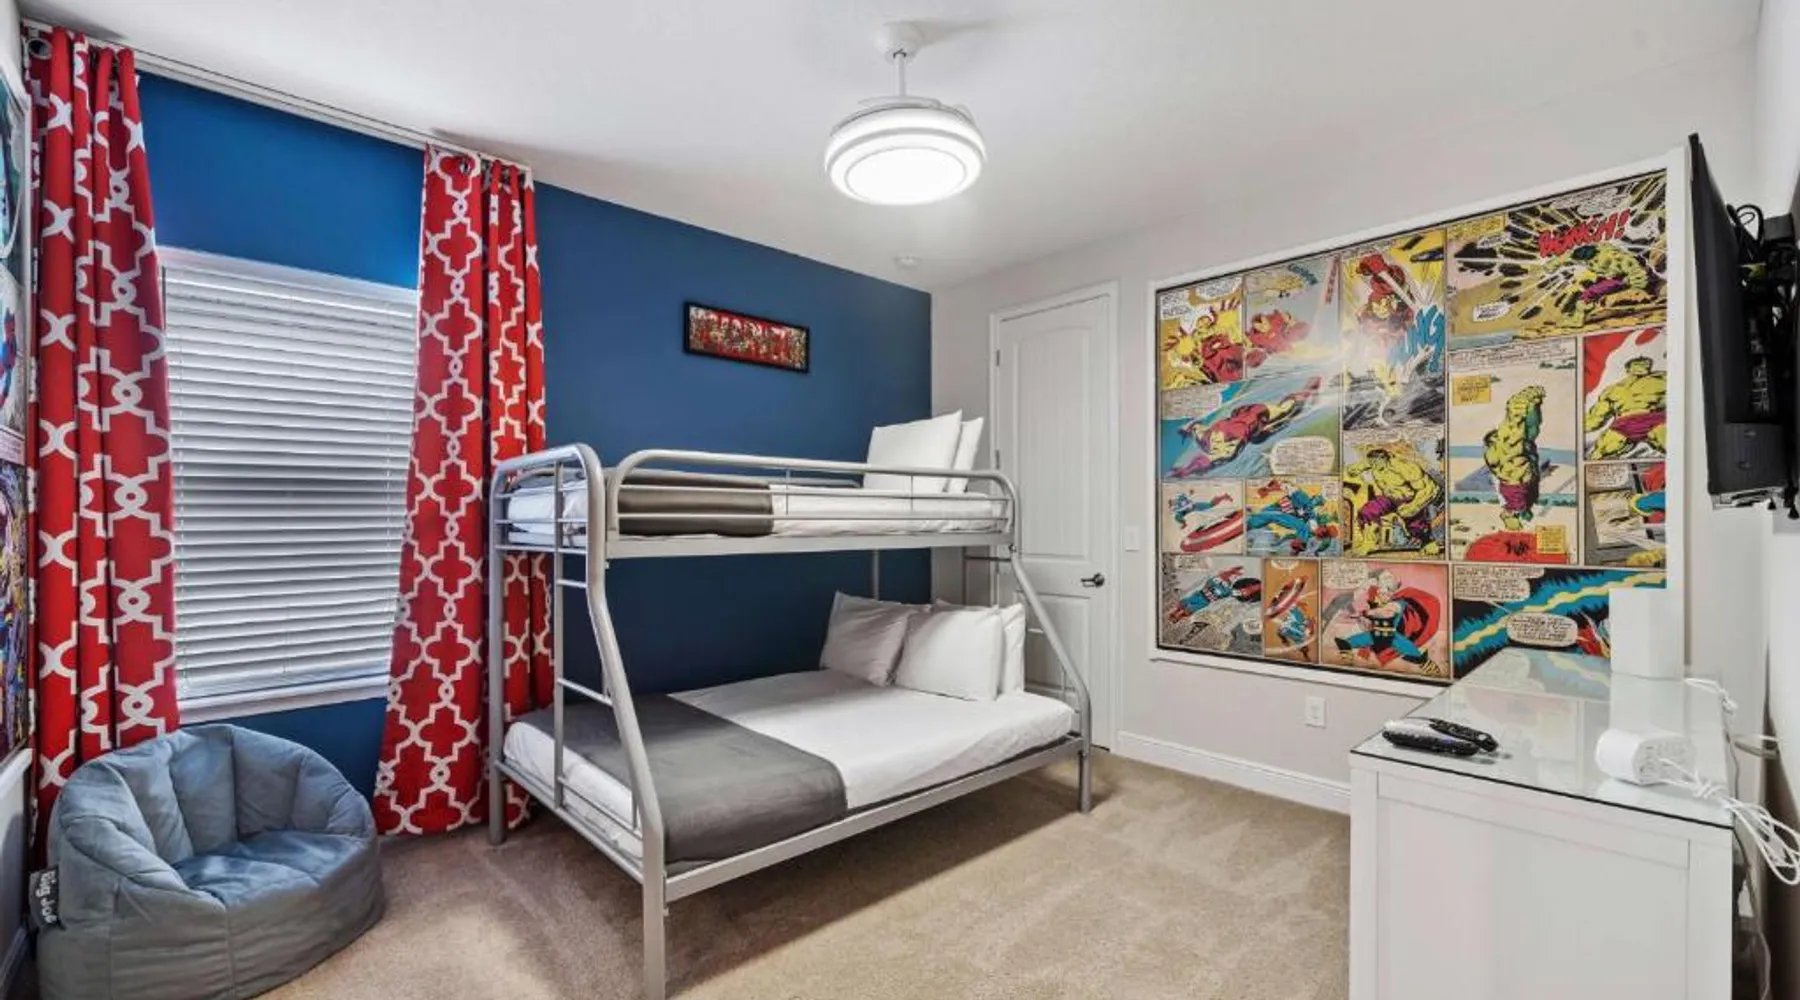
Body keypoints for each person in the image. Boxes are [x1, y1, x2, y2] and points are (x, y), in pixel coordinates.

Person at [1342, 446, 1441, 555]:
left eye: (1375, 462)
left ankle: (1428, 543)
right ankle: (1369, 543)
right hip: (1389, 498)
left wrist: (1413, 506)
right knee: (1367, 512)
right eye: (1371, 463)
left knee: (1416, 526)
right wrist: (1353, 470)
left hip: (1410, 499)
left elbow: (1430, 488)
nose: (1373, 466)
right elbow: (1355, 468)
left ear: (1385, 459)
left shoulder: (1404, 467)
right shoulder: (1374, 463)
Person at [1333, 569, 1439, 669]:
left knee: (1399, 643)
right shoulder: (1376, 601)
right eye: (1381, 591)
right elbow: (1369, 624)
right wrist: (1361, 617)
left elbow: (1387, 612)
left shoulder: (1396, 603)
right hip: (1380, 634)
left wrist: (1365, 613)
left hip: (1391, 634)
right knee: (1374, 637)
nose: (1384, 594)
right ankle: (1346, 645)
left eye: (1387, 591)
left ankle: (1422, 661)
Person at [1482, 385, 1546, 531]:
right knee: (1525, 435)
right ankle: (1527, 408)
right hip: (1517, 476)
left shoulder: (1513, 500)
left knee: (1520, 437)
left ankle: (1522, 410)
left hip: (1516, 476)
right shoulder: (1514, 500)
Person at [1585, 355, 1666, 458]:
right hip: (1623, 425)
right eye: (1637, 363)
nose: (1640, 366)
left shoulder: (1664, 379)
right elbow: (1595, 419)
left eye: (1644, 363)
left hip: (1654, 421)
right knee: (1597, 455)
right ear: (1628, 368)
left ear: (1649, 365)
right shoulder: (1612, 389)